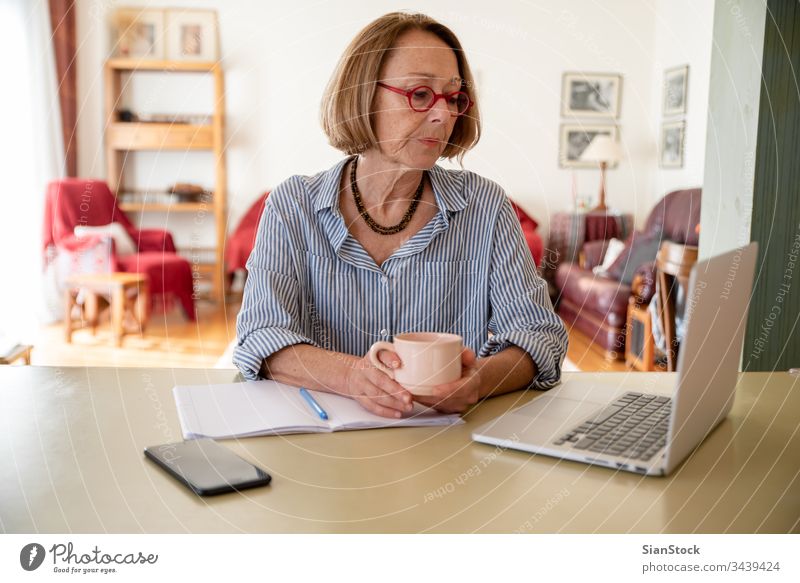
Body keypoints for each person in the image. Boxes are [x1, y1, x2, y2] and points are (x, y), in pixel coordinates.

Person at [233, 12, 567, 418]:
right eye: (420, 94)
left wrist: (479, 380)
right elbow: (259, 337)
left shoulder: (487, 208)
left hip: (447, 448)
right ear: (363, 95)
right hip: (325, 449)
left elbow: (540, 337)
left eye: (453, 97)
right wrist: (352, 376)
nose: (442, 115)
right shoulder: (293, 206)